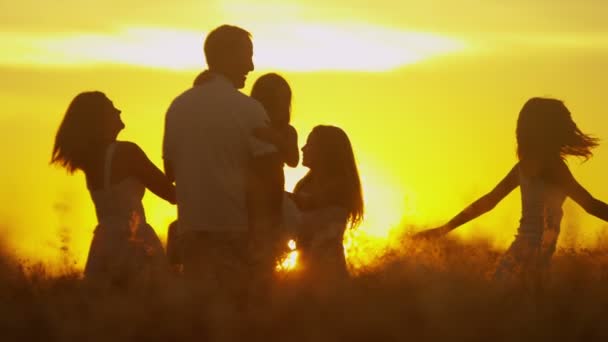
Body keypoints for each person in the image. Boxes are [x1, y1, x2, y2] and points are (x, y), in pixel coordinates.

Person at [415, 97, 608, 286]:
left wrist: (444, 229)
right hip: (533, 258)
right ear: (551, 128)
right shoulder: (554, 167)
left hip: (519, 256)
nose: (571, 123)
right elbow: (590, 205)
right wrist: (444, 229)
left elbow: (489, 202)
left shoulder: (525, 165)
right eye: (566, 119)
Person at [162, 24, 277, 330]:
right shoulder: (249, 109)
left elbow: (170, 172)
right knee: (242, 321)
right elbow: (270, 177)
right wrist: (269, 235)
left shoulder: (177, 107)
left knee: (200, 322)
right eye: (247, 57)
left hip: (192, 233)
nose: (252, 67)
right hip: (238, 233)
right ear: (227, 56)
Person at [51, 91, 175, 288]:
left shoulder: (91, 160)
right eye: (111, 107)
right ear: (100, 119)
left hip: (103, 244)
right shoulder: (127, 152)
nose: (118, 110)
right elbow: (170, 193)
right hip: (135, 241)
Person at [292, 125, 364, 281]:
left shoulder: (340, 187)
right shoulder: (304, 184)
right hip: (304, 272)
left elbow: (307, 203)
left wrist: (272, 191)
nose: (303, 148)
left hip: (328, 274)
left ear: (325, 151)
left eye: (310, 144)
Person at [249, 73, 300, 266]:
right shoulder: (249, 124)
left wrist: (272, 137)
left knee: (268, 251)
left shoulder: (288, 131)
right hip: (250, 192)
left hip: (273, 195)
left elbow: (294, 160)